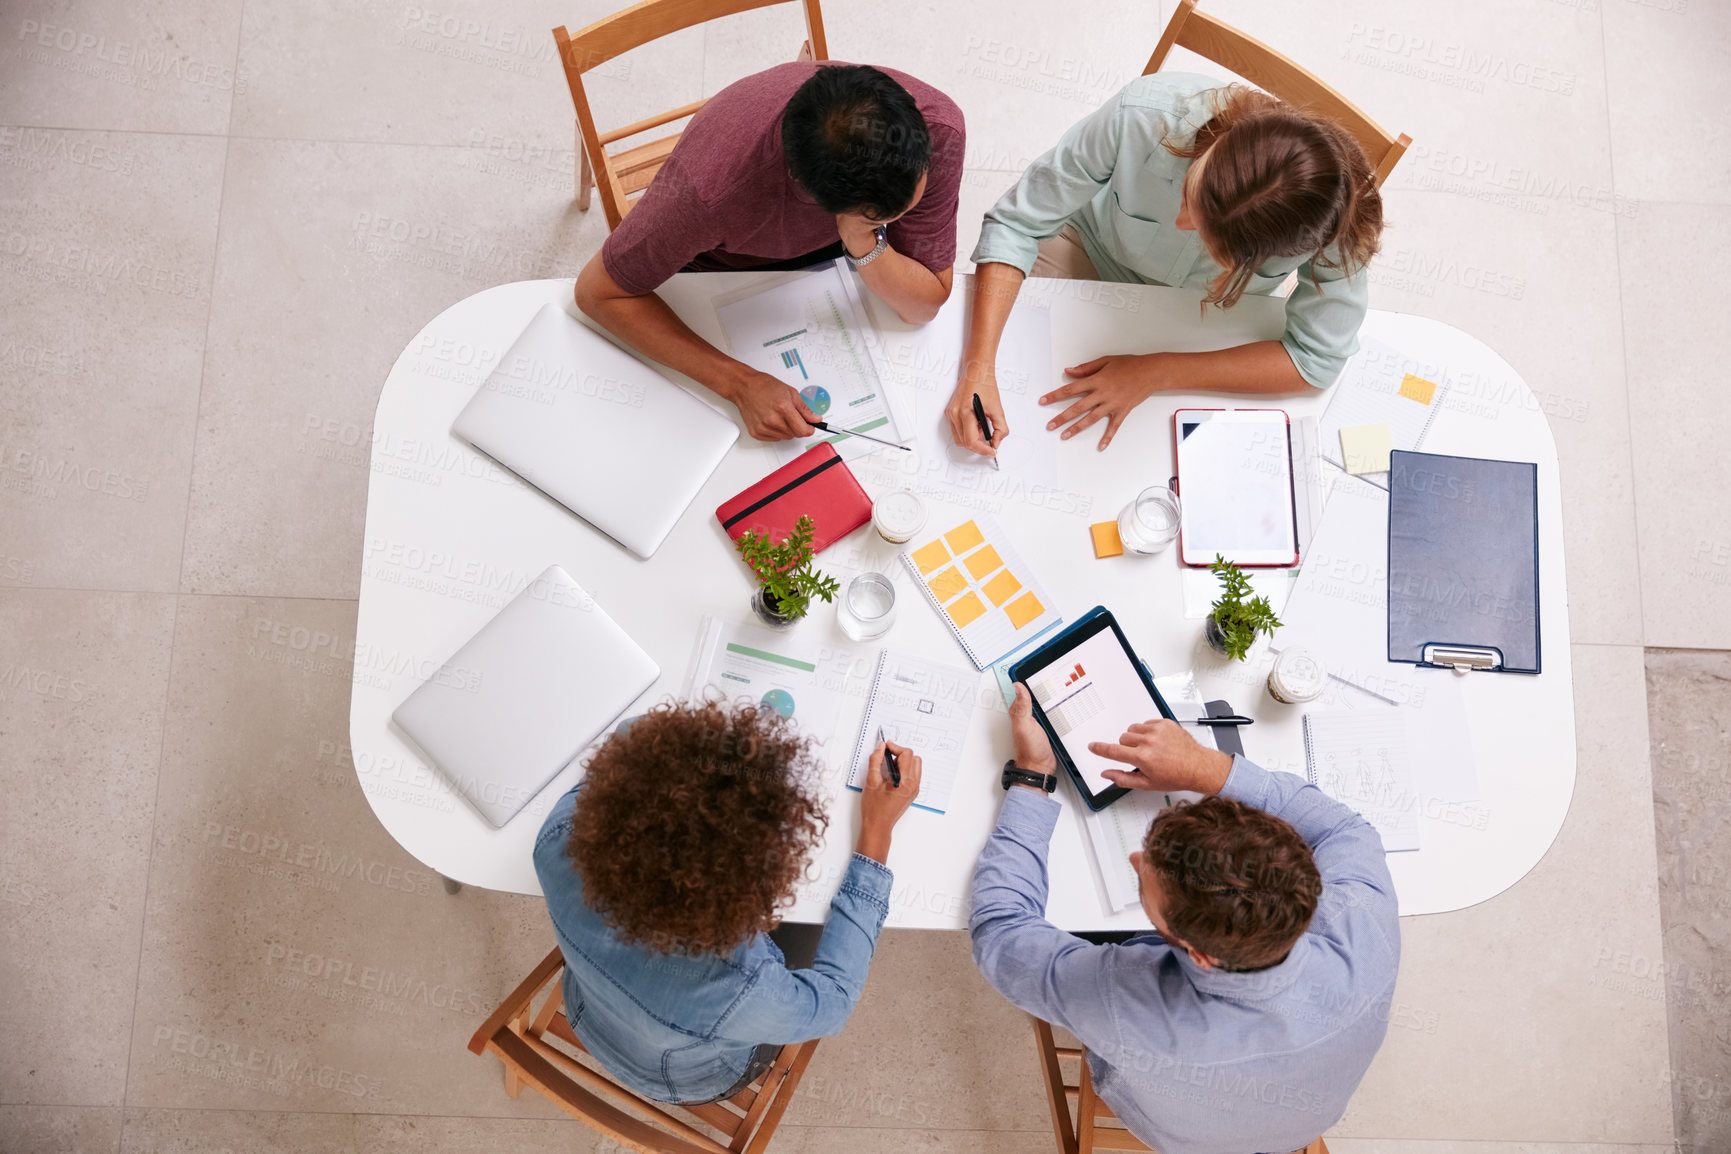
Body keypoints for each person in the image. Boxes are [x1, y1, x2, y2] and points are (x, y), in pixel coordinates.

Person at [971, 686, 1400, 1154]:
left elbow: (999, 931)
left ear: (1198, 952)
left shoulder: (1123, 1003)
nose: (1136, 860)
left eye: (1147, 884)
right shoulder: (1362, 924)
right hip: (1296, 1128)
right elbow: (1345, 830)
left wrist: (1032, 776)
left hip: (1174, 1134)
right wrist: (1201, 765)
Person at [947, 73, 1385, 456]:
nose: (1180, 222)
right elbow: (1017, 224)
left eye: (1205, 234)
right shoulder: (1143, 117)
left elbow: (1315, 361)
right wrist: (977, 369)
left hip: (1200, 319)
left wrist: (1157, 369)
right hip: (1088, 247)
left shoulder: (1342, 226)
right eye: (1189, 192)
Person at [534, 701, 922, 1105]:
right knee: (810, 928)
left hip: (587, 1013)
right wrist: (876, 832)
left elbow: (625, 740)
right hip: (687, 1080)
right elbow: (835, 999)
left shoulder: (557, 839)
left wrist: (702, 745)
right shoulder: (740, 988)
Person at [575, 62, 964, 442]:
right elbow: (598, 292)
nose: (899, 218)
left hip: (835, 251)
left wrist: (862, 238)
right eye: (884, 216)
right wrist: (740, 384)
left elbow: (922, 307)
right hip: (725, 270)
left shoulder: (936, 132)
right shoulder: (706, 194)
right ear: (803, 186)